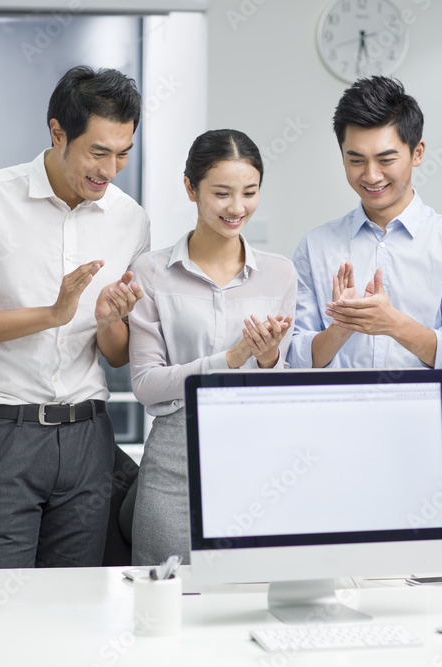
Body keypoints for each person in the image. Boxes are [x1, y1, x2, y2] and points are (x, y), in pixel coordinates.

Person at [0, 66, 150, 569]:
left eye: (123, 154)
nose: (109, 171)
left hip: (88, 436)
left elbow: (115, 355)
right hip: (2, 435)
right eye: (98, 152)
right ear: (57, 132)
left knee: (74, 611)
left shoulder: (130, 219)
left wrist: (111, 319)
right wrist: (52, 314)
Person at [128, 129, 297, 565]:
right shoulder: (150, 273)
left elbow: (281, 386)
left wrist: (267, 359)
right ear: (191, 188)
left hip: (258, 458)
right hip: (174, 463)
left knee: (250, 598)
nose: (237, 208)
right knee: (166, 598)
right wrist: (230, 359)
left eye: (249, 192)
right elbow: (146, 385)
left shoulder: (279, 274)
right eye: (221, 193)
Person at [289, 76, 442, 429]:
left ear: (418, 153)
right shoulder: (315, 246)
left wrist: (395, 325)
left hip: (423, 437)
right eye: (356, 160)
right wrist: (339, 329)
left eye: (386, 159)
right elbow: (294, 359)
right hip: (331, 436)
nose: (371, 175)